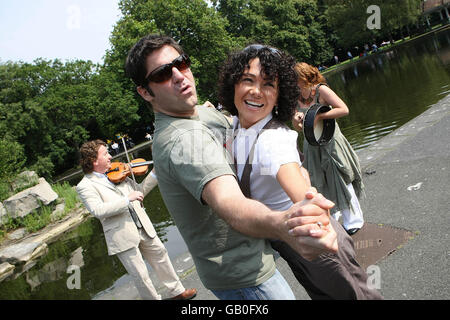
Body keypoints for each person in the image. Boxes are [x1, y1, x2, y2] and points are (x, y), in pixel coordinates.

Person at [125, 34, 338, 300]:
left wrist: (293, 165)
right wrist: (284, 223)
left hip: (253, 256)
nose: (179, 76)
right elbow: (229, 202)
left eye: (181, 63)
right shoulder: (185, 140)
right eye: (162, 75)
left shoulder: (203, 115)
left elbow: (250, 143)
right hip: (244, 276)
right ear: (145, 92)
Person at [217, 44, 382, 300]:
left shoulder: (273, 141)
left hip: (318, 243)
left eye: (269, 84)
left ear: (279, 95)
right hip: (293, 247)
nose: (256, 91)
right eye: (247, 80)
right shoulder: (236, 125)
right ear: (233, 84)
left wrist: (315, 215)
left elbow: (304, 198)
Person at [76, 139, 197, 300]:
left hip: (142, 225)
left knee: (161, 256)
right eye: (105, 154)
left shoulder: (118, 173)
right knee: (141, 274)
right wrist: (127, 199)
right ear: (93, 160)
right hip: (121, 234)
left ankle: (177, 292)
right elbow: (98, 210)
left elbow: (138, 192)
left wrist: (155, 173)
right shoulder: (85, 185)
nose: (110, 157)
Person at [292, 62, 364, 235]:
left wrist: (319, 116)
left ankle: (354, 220)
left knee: (340, 179)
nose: (292, 82)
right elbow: (298, 128)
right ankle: (333, 216)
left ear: (304, 77)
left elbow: (344, 109)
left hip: (330, 141)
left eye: (295, 79)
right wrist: (297, 119)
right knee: (318, 181)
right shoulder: (296, 97)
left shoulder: (321, 90)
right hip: (311, 144)